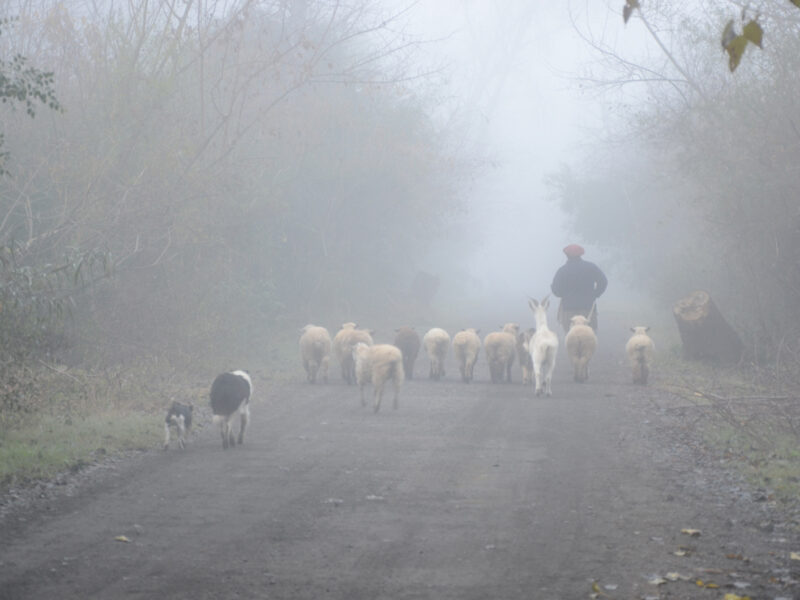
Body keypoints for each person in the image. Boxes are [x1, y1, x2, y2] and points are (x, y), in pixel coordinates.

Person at [551, 244, 607, 332]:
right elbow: (603, 281)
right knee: (589, 335)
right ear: (581, 254)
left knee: (571, 336)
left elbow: (556, 290)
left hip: (568, 310)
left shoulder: (562, 270)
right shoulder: (591, 267)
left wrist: (564, 295)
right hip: (588, 308)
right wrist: (596, 294)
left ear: (567, 255)